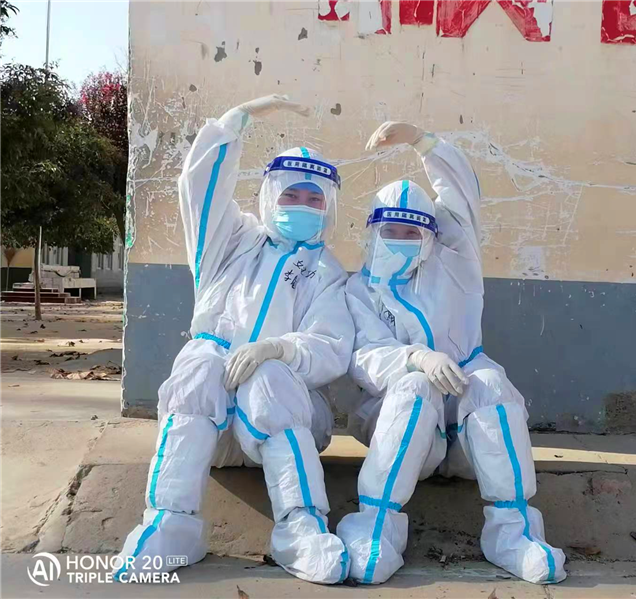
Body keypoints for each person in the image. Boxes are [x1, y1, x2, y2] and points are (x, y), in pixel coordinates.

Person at [114, 95, 355, 585]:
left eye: (314, 199)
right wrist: (235, 122)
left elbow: (331, 345)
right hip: (213, 428)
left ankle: (301, 528)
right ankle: (170, 525)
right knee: (199, 366)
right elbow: (198, 190)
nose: (302, 206)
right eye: (291, 195)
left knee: (269, 379)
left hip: (284, 423)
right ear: (270, 196)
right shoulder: (232, 242)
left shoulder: (327, 272)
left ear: (328, 206)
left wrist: (278, 349)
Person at [336, 121, 567, 585]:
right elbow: (363, 356)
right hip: (405, 432)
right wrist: (416, 359)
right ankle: (374, 528)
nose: (401, 239)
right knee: (414, 388)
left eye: (412, 232)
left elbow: (460, 195)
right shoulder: (358, 290)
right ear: (372, 232)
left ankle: (514, 534)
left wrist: (423, 142)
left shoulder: (455, 265)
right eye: (390, 230)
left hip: (466, 440)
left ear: (432, 237)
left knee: (490, 383)